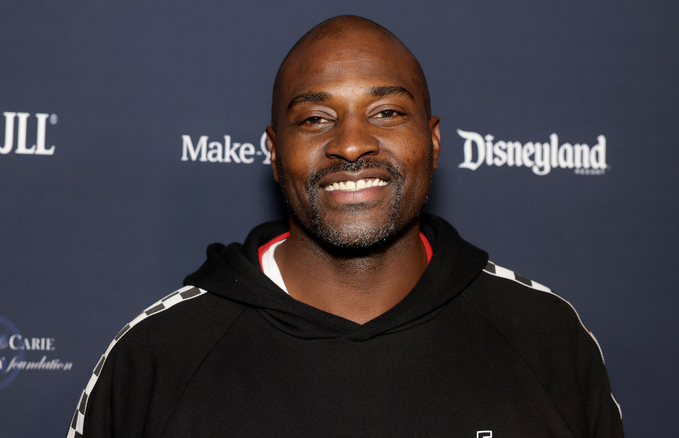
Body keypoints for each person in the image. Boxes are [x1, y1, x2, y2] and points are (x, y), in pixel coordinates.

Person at [68, 15, 623, 437]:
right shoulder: (157, 356)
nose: (352, 143)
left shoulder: (545, 337)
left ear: (432, 140)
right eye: (316, 119)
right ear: (273, 150)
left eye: (386, 112)